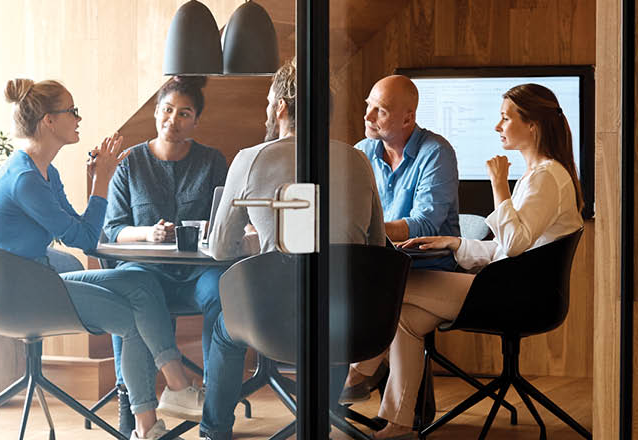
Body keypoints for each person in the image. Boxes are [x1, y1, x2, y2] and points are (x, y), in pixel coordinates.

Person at [343, 84, 585, 440]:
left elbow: (515, 246)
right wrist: (454, 242)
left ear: (532, 125)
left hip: (520, 296)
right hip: (512, 286)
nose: (497, 126)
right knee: (407, 320)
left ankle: (359, 370)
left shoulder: (547, 176)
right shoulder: (542, 175)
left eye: (505, 118)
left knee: (396, 286)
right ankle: (398, 423)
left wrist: (499, 185)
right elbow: (504, 248)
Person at [0, 78, 205, 440]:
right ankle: (148, 425)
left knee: (141, 281)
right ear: (49, 121)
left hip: (40, 279)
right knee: (132, 319)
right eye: (71, 111)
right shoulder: (25, 179)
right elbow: (88, 241)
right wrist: (102, 183)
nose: (77, 118)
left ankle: (176, 389)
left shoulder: (45, 172)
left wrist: (96, 181)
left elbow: (80, 228)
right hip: (20, 296)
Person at [198, 59, 387, 440]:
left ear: (281, 106)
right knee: (334, 301)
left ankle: (213, 432)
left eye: (269, 101)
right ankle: (318, 422)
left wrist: (261, 240)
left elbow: (220, 249)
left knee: (223, 325)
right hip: (351, 322)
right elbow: (376, 247)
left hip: (275, 322)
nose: (267, 109)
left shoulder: (250, 159)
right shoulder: (358, 158)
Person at [102, 75, 229, 430]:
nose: (173, 120)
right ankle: (134, 403)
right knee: (131, 291)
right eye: (167, 110)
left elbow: (225, 223)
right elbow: (112, 229)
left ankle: (213, 404)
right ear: (156, 112)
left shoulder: (213, 161)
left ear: (196, 121)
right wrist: (149, 234)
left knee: (223, 292)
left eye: (184, 114)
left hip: (198, 273)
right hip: (147, 272)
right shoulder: (130, 163)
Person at [355, 75, 460, 270]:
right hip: (380, 264)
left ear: (407, 118)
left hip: (426, 268)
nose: (368, 116)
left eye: (381, 111)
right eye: (369, 105)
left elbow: (425, 225)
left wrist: (367, 231)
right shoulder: (362, 151)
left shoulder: (437, 153)